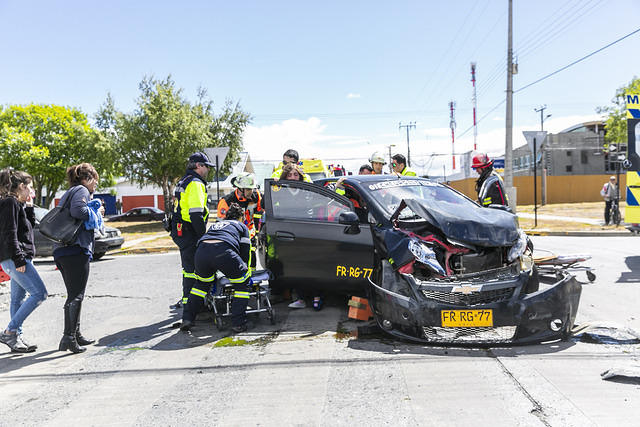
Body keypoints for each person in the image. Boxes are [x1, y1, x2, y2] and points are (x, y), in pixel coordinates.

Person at [54, 163, 104, 354]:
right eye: (95, 181)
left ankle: (75, 334)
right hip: (75, 249)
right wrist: (96, 213)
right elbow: (79, 212)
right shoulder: (81, 190)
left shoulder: (70, 191)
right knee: (76, 295)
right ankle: (68, 338)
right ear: (87, 178)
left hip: (63, 249)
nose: (95, 185)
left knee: (74, 294)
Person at [181, 203, 252, 333]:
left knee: (201, 285)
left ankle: (187, 319)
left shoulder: (215, 225)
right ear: (241, 217)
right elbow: (245, 251)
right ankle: (238, 323)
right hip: (224, 251)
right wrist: (243, 268)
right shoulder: (241, 226)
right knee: (242, 285)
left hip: (201, 253)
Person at [0, 168, 47, 353]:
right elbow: (9, 234)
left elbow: (27, 228)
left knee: (17, 299)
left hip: (18, 258)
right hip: (15, 259)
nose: (31, 191)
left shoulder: (17, 204)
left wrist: (28, 206)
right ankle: (10, 331)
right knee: (40, 294)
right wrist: (19, 260)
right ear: (21, 186)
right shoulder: (9, 203)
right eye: (30, 187)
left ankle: (16, 338)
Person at [170, 152, 212, 309]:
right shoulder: (195, 183)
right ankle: (193, 305)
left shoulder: (184, 180)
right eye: (206, 166)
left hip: (181, 230)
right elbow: (196, 214)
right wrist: (204, 238)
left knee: (189, 269)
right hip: (190, 230)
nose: (208, 169)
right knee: (195, 269)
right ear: (199, 166)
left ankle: (189, 302)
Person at [279, 164, 323, 310]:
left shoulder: (306, 191)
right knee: (296, 268)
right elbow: (267, 203)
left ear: (300, 176)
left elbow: (320, 203)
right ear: (285, 177)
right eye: (290, 175)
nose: (293, 177)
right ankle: (301, 298)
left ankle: (317, 296)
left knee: (312, 266)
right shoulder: (280, 192)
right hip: (290, 235)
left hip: (307, 233)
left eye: (295, 174)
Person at [217, 172, 263, 269]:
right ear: (240, 189)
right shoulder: (226, 201)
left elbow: (262, 210)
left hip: (250, 232)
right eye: (249, 189)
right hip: (233, 235)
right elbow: (221, 223)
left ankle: (252, 280)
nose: (252, 192)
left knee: (251, 255)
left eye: (252, 189)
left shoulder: (256, 196)